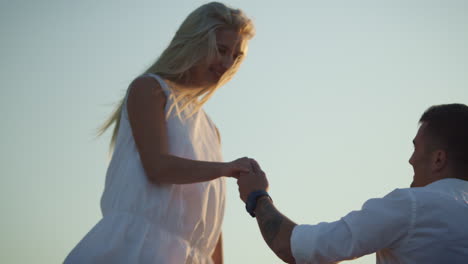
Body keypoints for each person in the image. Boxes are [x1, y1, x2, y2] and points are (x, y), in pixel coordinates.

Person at [65, 2, 255, 263]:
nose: (226, 63)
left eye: (235, 56)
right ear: (195, 42)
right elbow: (157, 167)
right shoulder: (151, 89)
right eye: (221, 50)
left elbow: (209, 223)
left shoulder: (212, 130)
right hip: (135, 250)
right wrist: (225, 168)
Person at [237, 103, 468, 264]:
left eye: (416, 148)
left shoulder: (412, 205)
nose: (410, 160)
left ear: (438, 158)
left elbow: (290, 246)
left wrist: (257, 197)